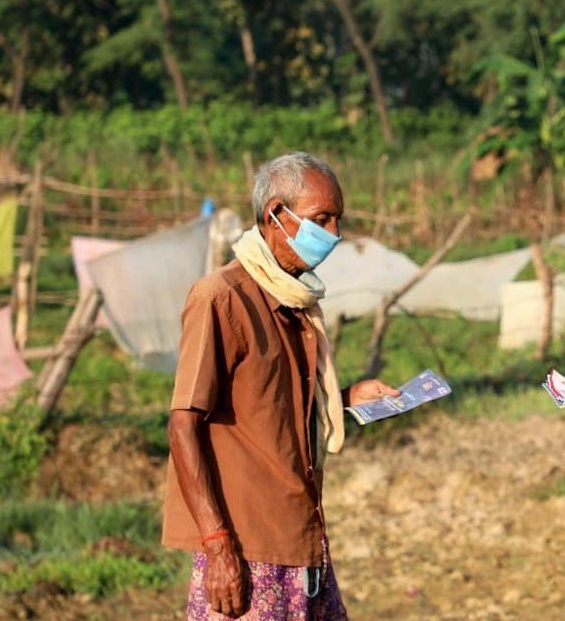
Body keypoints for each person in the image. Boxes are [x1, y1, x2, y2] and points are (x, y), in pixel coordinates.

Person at [162, 152, 400, 620]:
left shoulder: (296, 301)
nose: (334, 234)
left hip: (303, 534)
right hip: (248, 550)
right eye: (321, 219)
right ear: (275, 215)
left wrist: (345, 398)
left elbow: (273, 406)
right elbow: (183, 425)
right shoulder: (222, 298)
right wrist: (217, 546)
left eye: (338, 219)